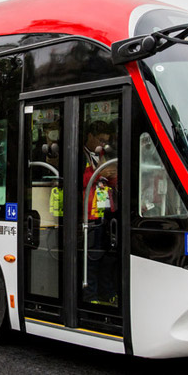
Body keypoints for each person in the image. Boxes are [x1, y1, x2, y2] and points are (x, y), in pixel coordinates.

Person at [81, 120, 118, 306]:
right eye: (101, 140)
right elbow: (80, 179)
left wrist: (109, 175)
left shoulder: (104, 155)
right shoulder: (80, 155)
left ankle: (107, 292)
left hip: (105, 211)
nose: (103, 144)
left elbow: (113, 181)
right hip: (89, 214)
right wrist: (100, 172)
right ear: (90, 136)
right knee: (92, 258)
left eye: (106, 141)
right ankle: (90, 295)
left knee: (108, 257)